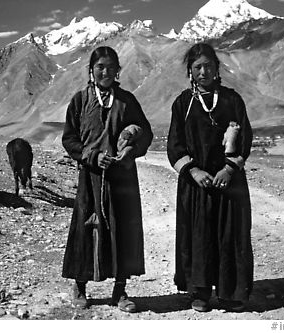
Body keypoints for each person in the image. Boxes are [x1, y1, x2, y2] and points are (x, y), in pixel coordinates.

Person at [61, 46, 153, 313]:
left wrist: (129, 153)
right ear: (92, 69)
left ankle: (120, 290)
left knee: (122, 229)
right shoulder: (79, 101)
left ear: (117, 70)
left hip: (122, 177)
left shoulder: (127, 100)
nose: (105, 71)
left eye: (111, 67)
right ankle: (80, 285)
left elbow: (145, 134)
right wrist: (91, 156)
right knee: (85, 227)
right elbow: (69, 138)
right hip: (90, 177)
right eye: (100, 66)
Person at [167, 42, 254, 313]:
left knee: (231, 235)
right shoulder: (183, 103)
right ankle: (200, 292)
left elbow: (245, 138)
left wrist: (229, 169)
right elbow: (175, 144)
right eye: (197, 67)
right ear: (190, 72)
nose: (203, 72)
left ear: (217, 68)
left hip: (229, 182)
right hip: (197, 184)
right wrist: (193, 170)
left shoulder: (232, 99)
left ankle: (231, 292)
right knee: (199, 236)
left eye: (208, 66)